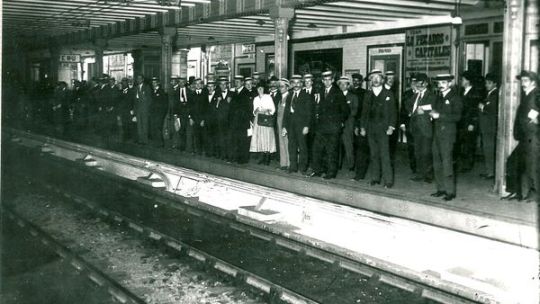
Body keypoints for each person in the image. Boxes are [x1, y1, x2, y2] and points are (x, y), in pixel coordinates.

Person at [359, 69, 397, 188]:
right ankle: (375, 178)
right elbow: (364, 113)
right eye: (373, 78)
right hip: (371, 129)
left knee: (385, 155)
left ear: (382, 79)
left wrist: (391, 126)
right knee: (374, 154)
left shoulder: (388, 94)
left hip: (384, 129)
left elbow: (393, 112)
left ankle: (388, 180)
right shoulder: (367, 95)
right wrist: (362, 127)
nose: (375, 80)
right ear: (370, 81)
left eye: (378, 77)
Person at [310, 71, 349, 179]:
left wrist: (339, 122)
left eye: (329, 80)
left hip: (333, 127)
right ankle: (317, 170)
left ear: (332, 80)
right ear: (322, 81)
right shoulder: (320, 92)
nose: (327, 82)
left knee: (331, 151)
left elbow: (345, 110)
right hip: (321, 127)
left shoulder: (338, 92)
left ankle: (331, 173)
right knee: (317, 149)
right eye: (325, 80)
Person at [430, 74, 463, 201]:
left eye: (443, 83)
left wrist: (440, 116)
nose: (440, 85)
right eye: (439, 83)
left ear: (450, 83)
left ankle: (450, 191)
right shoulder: (438, 97)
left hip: (448, 135)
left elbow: (457, 117)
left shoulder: (455, 98)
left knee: (447, 163)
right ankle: (440, 189)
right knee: (437, 162)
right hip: (437, 134)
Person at [402, 73, 436, 183]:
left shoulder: (431, 95)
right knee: (417, 152)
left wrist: (423, 109)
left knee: (426, 152)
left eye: (421, 83)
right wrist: (412, 111)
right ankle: (419, 174)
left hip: (426, 129)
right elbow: (407, 105)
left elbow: (432, 107)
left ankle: (428, 175)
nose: (419, 85)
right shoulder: (415, 95)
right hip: (415, 128)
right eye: (417, 83)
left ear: (426, 83)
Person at [512, 71, 540, 202]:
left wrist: (538, 120)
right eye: (522, 81)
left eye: (526, 81)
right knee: (515, 162)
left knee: (532, 164)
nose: (523, 84)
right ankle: (516, 192)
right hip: (525, 136)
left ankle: (534, 193)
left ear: (533, 82)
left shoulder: (536, 94)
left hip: (533, 136)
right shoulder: (527, 94)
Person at [282, 75, 313, 174]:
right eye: (294, 82)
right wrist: (284, 126)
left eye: (298, 82)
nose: (296, 85)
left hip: (301, 125)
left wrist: (307, 126)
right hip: (291, 125)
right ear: (291, 84)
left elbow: (309, 112)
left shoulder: (306, 95)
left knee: (303, 147)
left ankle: (302, 168)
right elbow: (286, 112)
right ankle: (293, 167)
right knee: (292, 146)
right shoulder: (289, 95)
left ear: (301, 83)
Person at [457, 70, 482, 172]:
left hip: (469, 123)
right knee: (462, 143)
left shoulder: (475, 93)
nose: (461, 81)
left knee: (469, 144)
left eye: (462, 79)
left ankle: (468, 165)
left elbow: (475, 110)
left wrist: (473, 123)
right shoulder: (461, 91)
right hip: (462, 122)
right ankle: (462, 164)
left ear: (468, 81)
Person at [478, 73, 499, 180]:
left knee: (489, 150)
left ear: (495, 84)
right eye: (486, 83)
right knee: (487, 150)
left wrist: (482, 107)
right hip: (486, 127)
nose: (487, 85)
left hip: (490, 128)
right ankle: (489, 171)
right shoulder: (489, 94)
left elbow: (492, 109)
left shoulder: (495, 95)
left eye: (489, 83)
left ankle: (491, 172)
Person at [250, 83, 277, 164]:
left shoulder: (268, 97)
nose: (260, 90)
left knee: (267, 137)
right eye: (258, 88)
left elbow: (273, 109)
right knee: (260, 138)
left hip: (266, 119)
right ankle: (261, 156)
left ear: (264, 89)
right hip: (258, 119)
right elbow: (254, 112)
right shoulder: (255, 99)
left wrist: (266, 110)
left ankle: (267, 157)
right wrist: (257, 110)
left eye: (261, 88)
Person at [228, 75, 253, 164]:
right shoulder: (234, 92)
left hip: (242, 121)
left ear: (242, 82)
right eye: (235, 82)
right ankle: (236, 157)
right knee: (235, 140)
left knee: (243, 141)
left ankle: (243, 159)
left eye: (238, 82)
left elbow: (248, 108)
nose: (236, 83)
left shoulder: (246, 92)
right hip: (234, 121)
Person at [338, 76, 358, 171]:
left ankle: (351, 165)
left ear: (348, 85)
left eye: (344, 84)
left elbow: (355, 111)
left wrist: (345, 118)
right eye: (340, 84)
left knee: (348, 144)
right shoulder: (336, 96)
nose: (342, 86)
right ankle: (338, 164)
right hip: (337, 124)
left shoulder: (353, 97)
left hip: (348, 124)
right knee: (337, 144)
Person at [400, 73, 418, 175]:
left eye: (416, 82)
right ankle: (414, 167)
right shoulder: (406, 94)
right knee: (411, 146)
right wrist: (402, 123)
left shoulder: (421, 93)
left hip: (419, 125)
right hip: (408, 124)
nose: (414, 84)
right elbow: (402, 109)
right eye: (412, 82)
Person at [189, 78, 209, 154]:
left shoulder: (205, 94)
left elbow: (207, 108)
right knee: (195, 134)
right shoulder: (192, 94)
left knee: (203, 135)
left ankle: (203, 150)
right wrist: (190, 117)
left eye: (199, 84)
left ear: (202, 85)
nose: (197, 85)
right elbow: (190, 107)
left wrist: (204, 119)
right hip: (194, 118)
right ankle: (197, 150)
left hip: (202, 119)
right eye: (196, 84)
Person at [216, 77, 234, 160]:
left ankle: (229, 156)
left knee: (229, 138)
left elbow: (235, 108)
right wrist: (218, 102)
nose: (223, 86)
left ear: (227, 85)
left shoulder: (232, 94)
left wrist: (230, 102)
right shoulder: (216, 94)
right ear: (219, 85)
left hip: (229, 121)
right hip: (220, 120)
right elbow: (214, 108)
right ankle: (222, 155)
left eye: (224, 84)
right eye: (221, 84)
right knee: (221, 138)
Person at [276, 78, 291, 170]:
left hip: (286, 124)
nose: (280, 88)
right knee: (281, 143)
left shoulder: (289, 97)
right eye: (279, 87)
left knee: (287, 143)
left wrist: (286, 126)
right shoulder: (280, 98)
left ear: (287, 87)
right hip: (279, 123)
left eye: (282, 86)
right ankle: (283, 164)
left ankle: (290, 164)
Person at [134, 75, 153, 144]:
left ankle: (145, 140)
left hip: (145, 109)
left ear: (143, 79)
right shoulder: (136, 88)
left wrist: (147, 108)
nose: (138, 80)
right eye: (137, 79)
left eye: (140, 79)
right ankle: (140, 139)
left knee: (145, 125)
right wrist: (134, 110)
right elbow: (135, 100)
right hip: (138, 109)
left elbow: (149, 99)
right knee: (139, 125)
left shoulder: (147, 87)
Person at [150, 77, 168, 147]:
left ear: (158, 83)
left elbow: (164, 104)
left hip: (159, 114)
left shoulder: (161, 91)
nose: (153, 84)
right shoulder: (152, 91)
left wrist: (162, 114)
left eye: (155, 83)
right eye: (152, 83)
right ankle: (156, 142)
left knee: (158, 128)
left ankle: (160, 143)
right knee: (154, 127)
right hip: (153, 113)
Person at [205, 80, 220, 156]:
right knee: (208, 136)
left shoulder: (218, 96)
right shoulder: (205, 95)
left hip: (215, 120)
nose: (210, 88)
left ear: (214, 87)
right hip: (207, 120)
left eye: (212, 86)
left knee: (215, 136)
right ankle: (209, 152)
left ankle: (216, 153)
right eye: (209, 86)